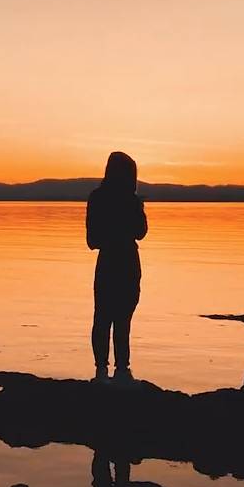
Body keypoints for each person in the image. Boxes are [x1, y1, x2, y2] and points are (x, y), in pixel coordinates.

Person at [85, 151, 147, 383]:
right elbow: (141, 233)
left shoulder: (97, 198)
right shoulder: (131, 201)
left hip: (109, 261)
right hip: (127, 261)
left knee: (103, 317)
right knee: (122, 318)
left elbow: (92, 241)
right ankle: (122, 370)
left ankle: (102, 371)